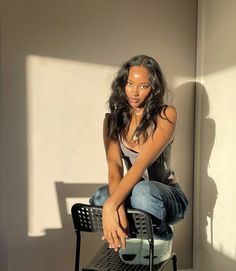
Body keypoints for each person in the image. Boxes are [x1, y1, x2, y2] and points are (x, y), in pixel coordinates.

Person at [89, 55, 189, 254]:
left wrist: (112, 206)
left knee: (142, 191)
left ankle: (161, 237)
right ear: (122, 84)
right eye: (130, 84)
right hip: (135, 193)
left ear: (154, 88)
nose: (134, 92)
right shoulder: (112, 120)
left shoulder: (166, 115)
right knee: (100, 196)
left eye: (143, 86)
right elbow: (115, 169)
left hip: (167, 197)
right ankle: (129, 243)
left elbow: (141, 164)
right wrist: (114, 207)